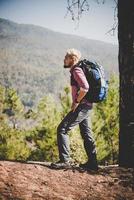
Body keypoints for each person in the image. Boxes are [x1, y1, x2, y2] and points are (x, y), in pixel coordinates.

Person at [51, 48, 98, 171]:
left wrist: (76, 102)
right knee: (86, 133)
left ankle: (65, 160)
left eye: (66, 57)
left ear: (72, 59)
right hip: (86, 106)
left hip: (82, 106)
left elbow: (85, 87)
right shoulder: (77, 70)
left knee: (62, 129)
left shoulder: (76, 70)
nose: (64, 59)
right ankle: (93, 163)